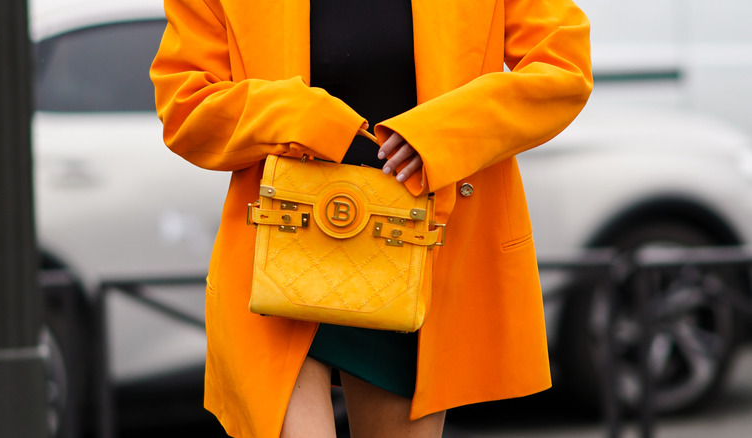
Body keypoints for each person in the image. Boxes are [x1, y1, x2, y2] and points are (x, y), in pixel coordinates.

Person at [150, 0, 592, 437]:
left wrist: (440, 134)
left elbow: (563, 67)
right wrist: (304, 118)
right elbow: (185, 102)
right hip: (277, 256)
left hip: (416, 257)